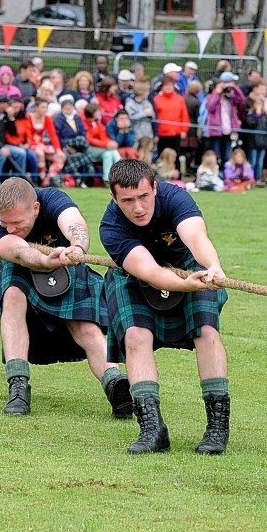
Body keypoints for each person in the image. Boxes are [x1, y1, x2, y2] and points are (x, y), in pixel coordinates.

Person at [99, 159, 230, 455]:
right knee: (135, 336)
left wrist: (213, 266)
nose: (138, 208)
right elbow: (150, 272)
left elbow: (196, 236)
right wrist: (189, 284)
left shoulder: (175, 198)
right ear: (114, 198)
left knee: (207, 332)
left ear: (155, 188)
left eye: (144, 197)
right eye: (128, 201)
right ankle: (152, 429)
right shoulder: (111, 227)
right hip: (136, 275)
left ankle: (217, 427)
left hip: (188, 265)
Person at [0, 177, 131, 416]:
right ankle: (18, 387)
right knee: (12, 296)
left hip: (67, 265)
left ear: (35, 209)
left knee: (85, 327)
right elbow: (19, 252)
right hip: (21, 267)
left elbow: (75, 224)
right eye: (5, 223)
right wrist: (43, 260)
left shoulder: (53, 199)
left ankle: (116, 385)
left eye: (17, 223)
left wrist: (77, 247)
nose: (9, 228)